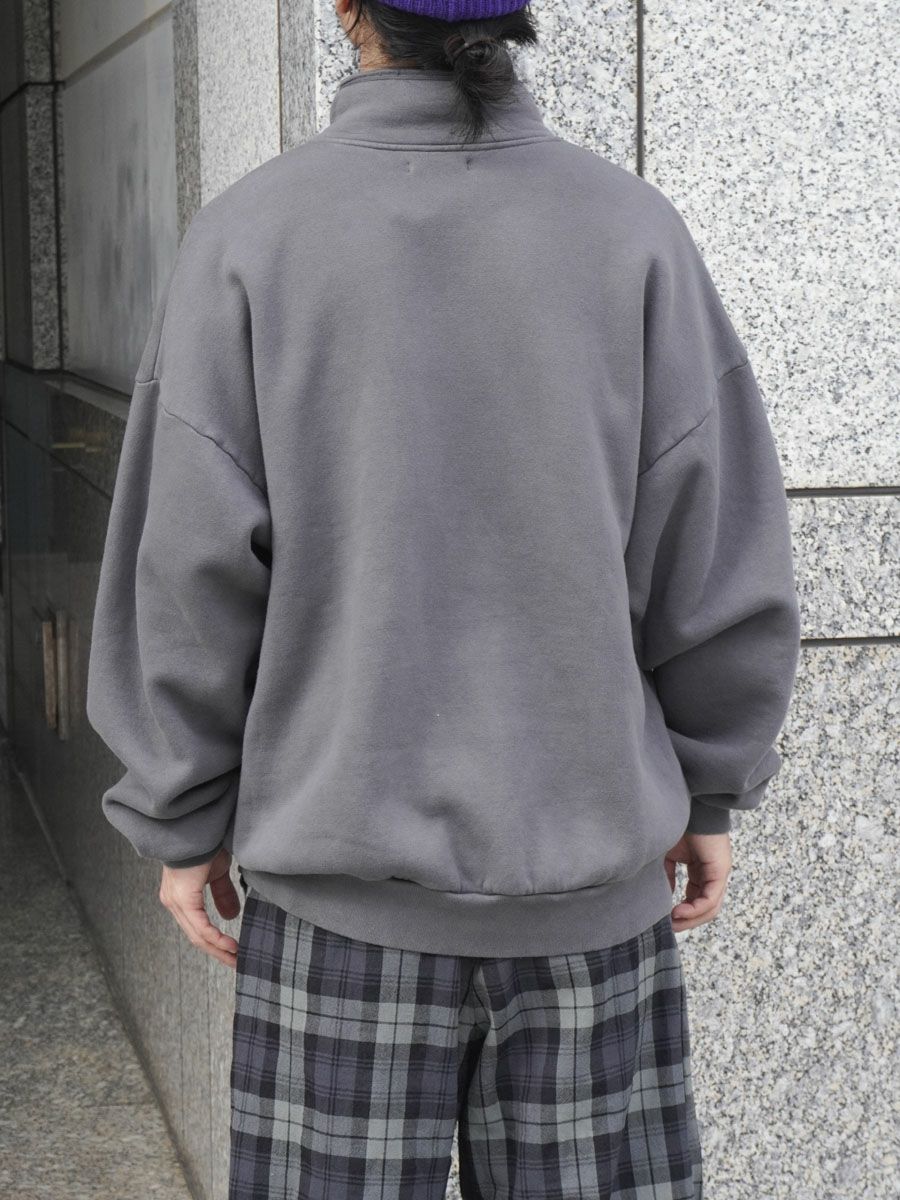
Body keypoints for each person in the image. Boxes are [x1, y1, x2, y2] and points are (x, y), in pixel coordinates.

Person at [85, 0, 801, 1195]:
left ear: (346, 8)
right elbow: (715, 546)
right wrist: (709, 781)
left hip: (339, 910)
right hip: (588, 907)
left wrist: (181, 809)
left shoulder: (254, 234)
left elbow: (189, 569)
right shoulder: (632, 232)